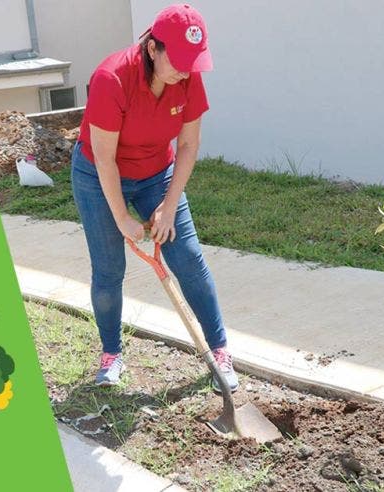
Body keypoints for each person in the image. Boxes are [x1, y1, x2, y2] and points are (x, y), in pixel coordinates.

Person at [71, 4, 237, 393]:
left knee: (188, 258)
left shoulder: (188, 78)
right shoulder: (112, 78)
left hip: (156, 175)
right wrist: (122, 218)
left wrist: (167, 205)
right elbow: (105, 159)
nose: (186, 69)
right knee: (109, 268)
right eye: (178, 60)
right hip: (98, 174)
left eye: (193, 61)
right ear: (152, 49)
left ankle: (220, 351)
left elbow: (189, 146)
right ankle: (111, 354)